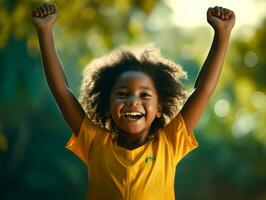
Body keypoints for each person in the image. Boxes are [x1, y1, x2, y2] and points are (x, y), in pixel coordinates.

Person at [32, 3, 235, 200]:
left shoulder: (169, 143)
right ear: (108, 106)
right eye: (122, 94)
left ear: (159, 108)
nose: (132, 101)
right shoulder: (94, 142)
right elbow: (61, 91)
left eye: (144, 95)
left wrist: (222, 34)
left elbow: (203, 91)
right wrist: (45, 31)